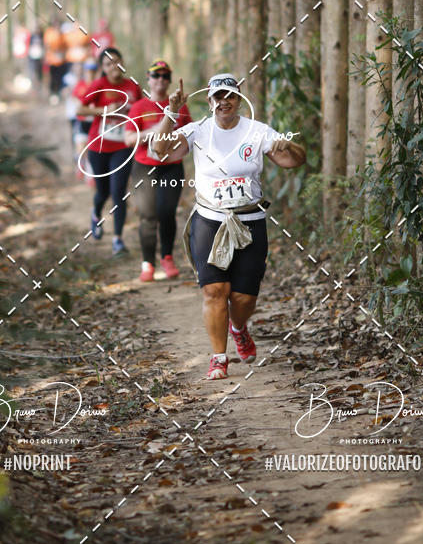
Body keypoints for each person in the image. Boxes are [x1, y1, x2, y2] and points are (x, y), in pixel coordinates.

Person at [151, 73, 306, 380]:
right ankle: (218, 357)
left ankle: (239, 327)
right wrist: (170, 112)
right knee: (214, 290)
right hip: (210, 219)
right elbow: (160, 150)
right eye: (218, 97)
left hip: (249, 220)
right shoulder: (197, 130)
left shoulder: (256, 131)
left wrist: (288, 143)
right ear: (210, 101)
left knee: (243, 298)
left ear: (238, 100)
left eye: (230, 96)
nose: (224, 102)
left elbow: (294, 161)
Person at [124, 60, 192, 282]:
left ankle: (167, 257)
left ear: (170, 80)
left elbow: (189, 135)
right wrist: (152, 133)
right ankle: (148, 263)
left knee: (166, 212)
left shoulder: (180, 107)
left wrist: (174, 143)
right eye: (156, 76)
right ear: (148, 79)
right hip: (144, 167)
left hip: (171, 168)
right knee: (147, 216)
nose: (160, 80)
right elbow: (128, 139)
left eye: (165, 76)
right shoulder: (139, 107)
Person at [77, 47, 142, 255]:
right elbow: (80, 109)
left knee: (118, 192)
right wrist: (104, 110)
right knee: (103, 191)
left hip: (123, 145)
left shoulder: (132, 86)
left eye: (116, 61)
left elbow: (142, 109)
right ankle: (96, 214)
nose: (113, 66)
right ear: (103, 69)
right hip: (99, 145)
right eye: (108, 64)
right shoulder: (98, 85)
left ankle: (118, 240)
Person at [43, 21, 67, 103]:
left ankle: (59, 93)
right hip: (51, 60)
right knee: (52, 78)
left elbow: (65, 46)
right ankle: (52, 93)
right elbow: (47, 45)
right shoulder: (49, 33)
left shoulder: (62, 34)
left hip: (61, 61)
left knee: (59, 78)